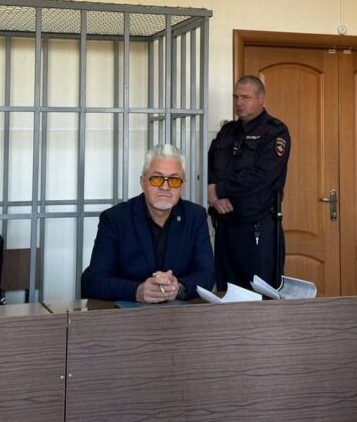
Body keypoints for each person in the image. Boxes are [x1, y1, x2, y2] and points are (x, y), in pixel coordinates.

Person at [81, 143, 214, 303]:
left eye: (174, 180)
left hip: (179, 313)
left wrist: (178, 288)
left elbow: (207, 274)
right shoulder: (115, 219)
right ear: (143, 182)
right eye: (157, 178)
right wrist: (136, 291)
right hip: (127, 314)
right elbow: (95, 281)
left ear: (182, 185)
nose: (165, 187)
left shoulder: (195, 216)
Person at [207, 75, 290, 290]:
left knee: (260, 295)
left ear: (261, 98)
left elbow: (261, 176)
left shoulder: (275, 132)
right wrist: (214, 192)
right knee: (227, 293)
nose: (239, 102)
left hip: (257, 229)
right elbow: (211, 163)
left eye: (246, 97)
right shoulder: (227, 131)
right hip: (225, 227)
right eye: (236, 97)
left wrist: (220, 189)